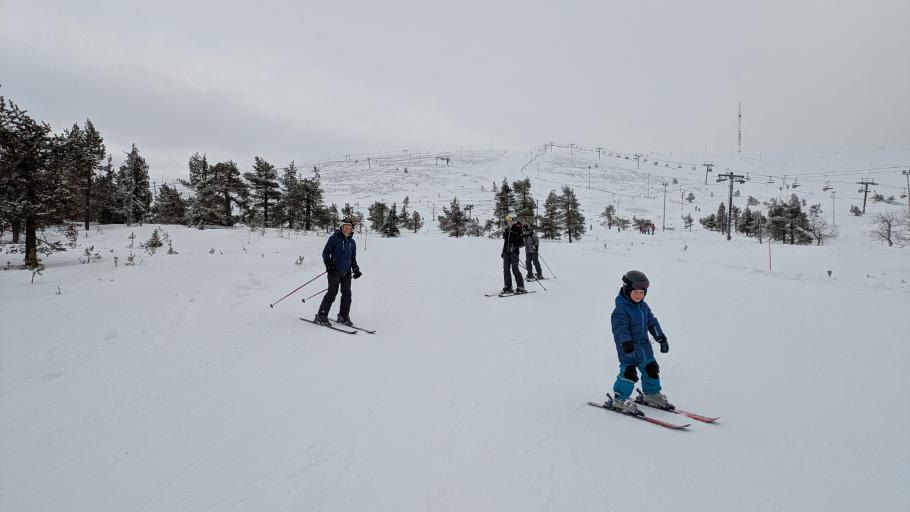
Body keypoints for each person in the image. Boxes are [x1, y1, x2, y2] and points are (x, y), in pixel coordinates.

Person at [606, 270, 672, 414]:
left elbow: (652, 323)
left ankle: (651, 394)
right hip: (628, 348)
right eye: (635, 292)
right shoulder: (621, 310)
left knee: (651, 369)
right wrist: (626, 343)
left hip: (644, 347)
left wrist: (661, 338)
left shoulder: (644, 307)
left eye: (641, 293)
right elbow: (620, 329)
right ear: (626, 290)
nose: (638, 295)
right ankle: (620, 398)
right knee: (629, 373)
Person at [314, 219, 362, 326]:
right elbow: (326, 253)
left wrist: (356, 269)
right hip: (334, 271)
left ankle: (343, 316)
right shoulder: (334, 239)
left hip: (347, 273)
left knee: (347, 294)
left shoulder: (352, 242)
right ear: (341, 228)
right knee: (332, 293)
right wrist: (329, 265)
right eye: (346, 227)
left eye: (350, 228)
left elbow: (352, 257)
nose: (348, 230)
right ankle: (321, 316)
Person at [501, 214, 526, 294]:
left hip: (514, 252)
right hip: (506, 252)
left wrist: (514, 247)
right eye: (508, 220)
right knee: (506, 269)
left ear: (514, 220)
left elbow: (522, 243)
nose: (509, 222)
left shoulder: (517, 229)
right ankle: (508, 286)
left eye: (510, 220)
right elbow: (505, 242)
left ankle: (520, 286)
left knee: (515, 269)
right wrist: (503, 252)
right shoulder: (507, 230)